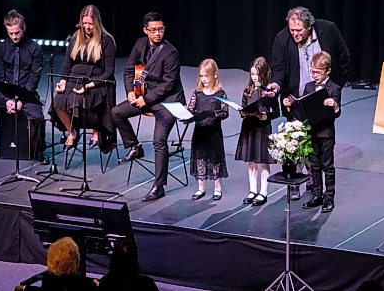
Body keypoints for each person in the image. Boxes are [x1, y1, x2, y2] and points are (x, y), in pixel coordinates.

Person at [267, 6, 349, 200]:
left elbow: (343, 58)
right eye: (292, 30)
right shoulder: (282, 38)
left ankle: (315, 183)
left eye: (298, 31)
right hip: (296, 96)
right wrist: (276, 85)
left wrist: (335, 87)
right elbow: (278, 67)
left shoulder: (328, 30)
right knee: (293, 139)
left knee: (317, 143)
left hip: (320, 97)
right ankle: (294, 179)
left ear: (309, 26)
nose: (294, 34)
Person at [111, 12, 185, 201]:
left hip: (168, 101)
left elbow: (168, 84)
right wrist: (130, 91)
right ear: (145, 30)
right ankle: (134, 145)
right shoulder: (140, 44)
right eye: (153, 30)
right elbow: (129, 70)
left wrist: (146, 100)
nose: (158, 33)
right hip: (145, 95)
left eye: (161, 29)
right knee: (116, 112)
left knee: (159, 141)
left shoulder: (171, 53)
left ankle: (158, 186)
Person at [53, 5, 116, 153]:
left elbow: (109, 71)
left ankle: (97, 128)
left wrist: (89, 85)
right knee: (58, 102)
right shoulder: (75, 38)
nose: (87, 27)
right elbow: (67, 64)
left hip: (97, 80)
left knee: (82, 99)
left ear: (97, 23)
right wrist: (63, 81)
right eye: (84, 23)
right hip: (74, 77)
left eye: (90, 24)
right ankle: (73, 131)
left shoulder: (107, 40)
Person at [283, 51, 341, 212]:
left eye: (318, 72)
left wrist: (335, 105)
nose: (314, 75)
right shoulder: (309, 86)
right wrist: (290, 104)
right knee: (314, 166)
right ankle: (317, 195)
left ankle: (329, 197)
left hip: (326, 134)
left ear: (327, 71)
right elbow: (302, 106)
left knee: (328, 166)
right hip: (311, 133)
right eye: (312, 71)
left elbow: (338, 111)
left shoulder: (334, 88)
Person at [0, 9, 46, 161]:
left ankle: (38, 150)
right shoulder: (1, 48)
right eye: (11, 33)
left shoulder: (34, 48)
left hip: (27, 93)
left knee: (38, 116)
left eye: (17, 32)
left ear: (23, 28)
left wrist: (20, 100)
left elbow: (34, 78)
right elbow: (0, 75)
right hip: (5, 93)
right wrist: (7, 99)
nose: (14, 36)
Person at [235, 57, 279, 206]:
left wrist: (266, 115)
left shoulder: (269, 92)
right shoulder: (248, 90)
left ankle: (263, 192)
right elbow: (243, 107)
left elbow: (276, 112)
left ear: (264, 75)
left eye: (257, 75)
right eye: (252, 74)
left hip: (262, 129)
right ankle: (252, 190)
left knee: (262, 160)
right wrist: (243, 112)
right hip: (249, 128)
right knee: (251, 161)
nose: (254, 78)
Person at [188, 59, 229, 201]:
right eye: (201, 76)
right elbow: (190, 109)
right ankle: (201, 187)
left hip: (214, 133)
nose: (204, 79)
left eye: (206, 76)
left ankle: (217, 187)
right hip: (199, 132)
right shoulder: (197, 93)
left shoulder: (220, 93)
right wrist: (186, 115)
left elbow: (225, 112)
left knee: (214, 159)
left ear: (214, 75)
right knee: (200, 157)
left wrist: (215, 114)